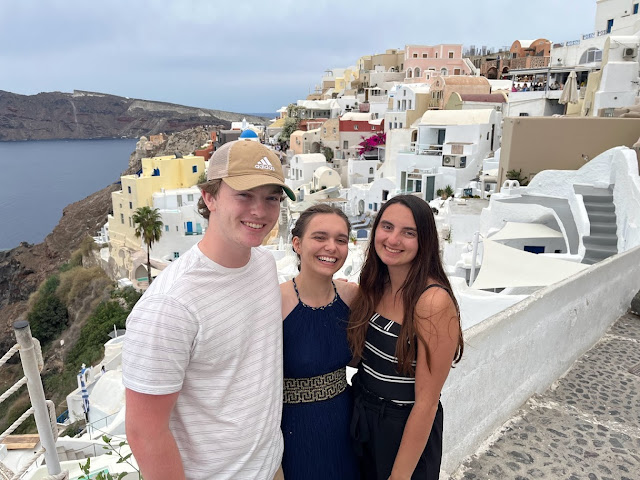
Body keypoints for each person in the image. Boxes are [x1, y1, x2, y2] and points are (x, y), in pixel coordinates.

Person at [122, 140, 296, 480]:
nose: (260, 211)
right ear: (209, 197)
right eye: (244, 195)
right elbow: (145, 433)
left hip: (271, 467)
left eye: (271, 198)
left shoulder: (263, 264)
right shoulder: (170, 305)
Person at [348, 195, 464, 480]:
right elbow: (362, 359)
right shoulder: (375, 284)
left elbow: (426, 402)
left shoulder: (432, 302)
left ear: (424, 241)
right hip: (362, 416)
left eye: (408, 233)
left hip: (402, 429)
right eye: (387, 227)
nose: (393, 239)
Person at [279, 204, 360, 480]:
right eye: (320, 237)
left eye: (341, 239)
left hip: (345, 424)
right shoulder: (276, 301)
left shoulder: (352, 296)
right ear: (297, 244)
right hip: (293, 432)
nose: (331, 247)